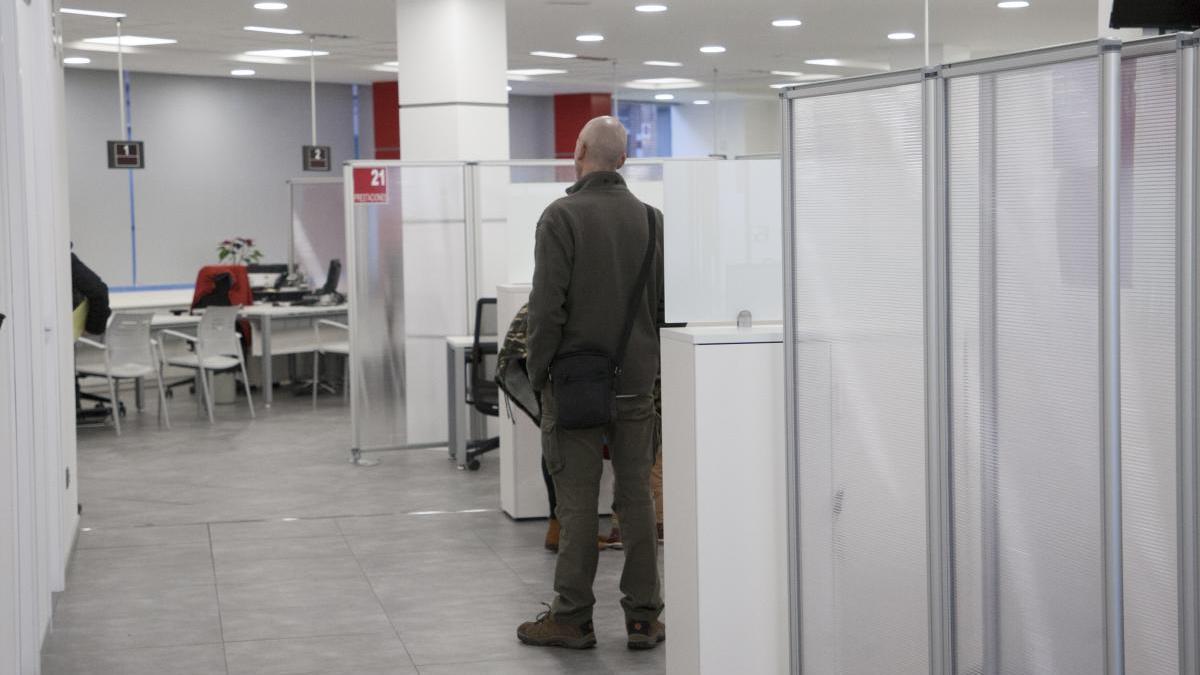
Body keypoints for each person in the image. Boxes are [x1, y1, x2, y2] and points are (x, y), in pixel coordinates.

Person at [517, 116, 665, 651]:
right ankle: (644, 618)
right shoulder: (653, 221)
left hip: (575, 384)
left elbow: (546, 310)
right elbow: (662, 307)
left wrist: (538, 378)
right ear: (623, 160)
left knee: (579, 503)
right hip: (636, 385)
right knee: (637, 501)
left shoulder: (561, 217)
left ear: (579, 151)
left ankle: (572, 617)